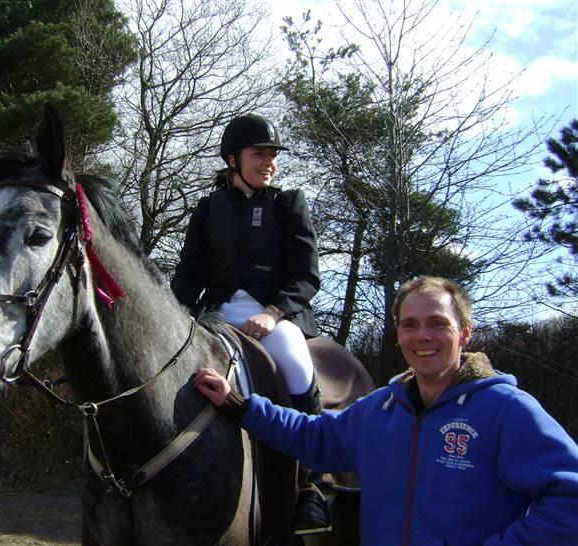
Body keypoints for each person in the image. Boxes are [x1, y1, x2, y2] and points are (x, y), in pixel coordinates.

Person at [194, 276, 578, 546]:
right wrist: (240, 405)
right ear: (399, 336)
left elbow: (570, 498)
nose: (422, 336)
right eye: (409, 325)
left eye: (437, 324)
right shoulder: (382, 409)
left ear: (464, 334)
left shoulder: (507, 410)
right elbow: (314, 438)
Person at [171, 113, 330, 535]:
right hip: (217, 315)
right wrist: (178, 312)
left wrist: (274, 312)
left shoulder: (287, 203)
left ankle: (312, 483)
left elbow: (306, 276)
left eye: (272, 155)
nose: (269, 162)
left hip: (276, 316)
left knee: (294, 360)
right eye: (259, 154)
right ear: (232, 158)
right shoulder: (207, 209)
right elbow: (189, 274)